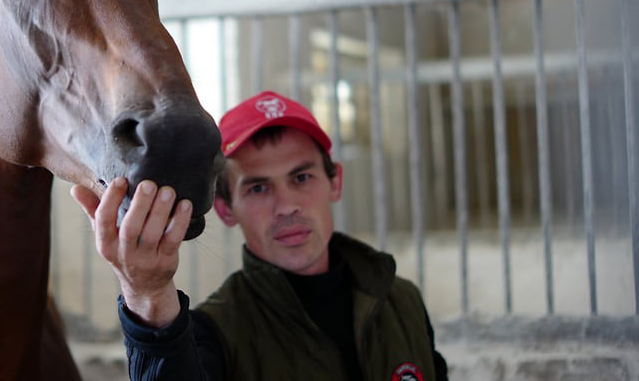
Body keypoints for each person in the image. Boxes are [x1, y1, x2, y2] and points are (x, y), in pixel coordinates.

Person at [72, 90, 448, 381]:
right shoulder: (216, 332)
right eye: (258, 188)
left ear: (335, 183)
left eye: (301, 178)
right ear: (225, 208)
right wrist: (148, 293)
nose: (286, 206)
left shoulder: (402, 302)